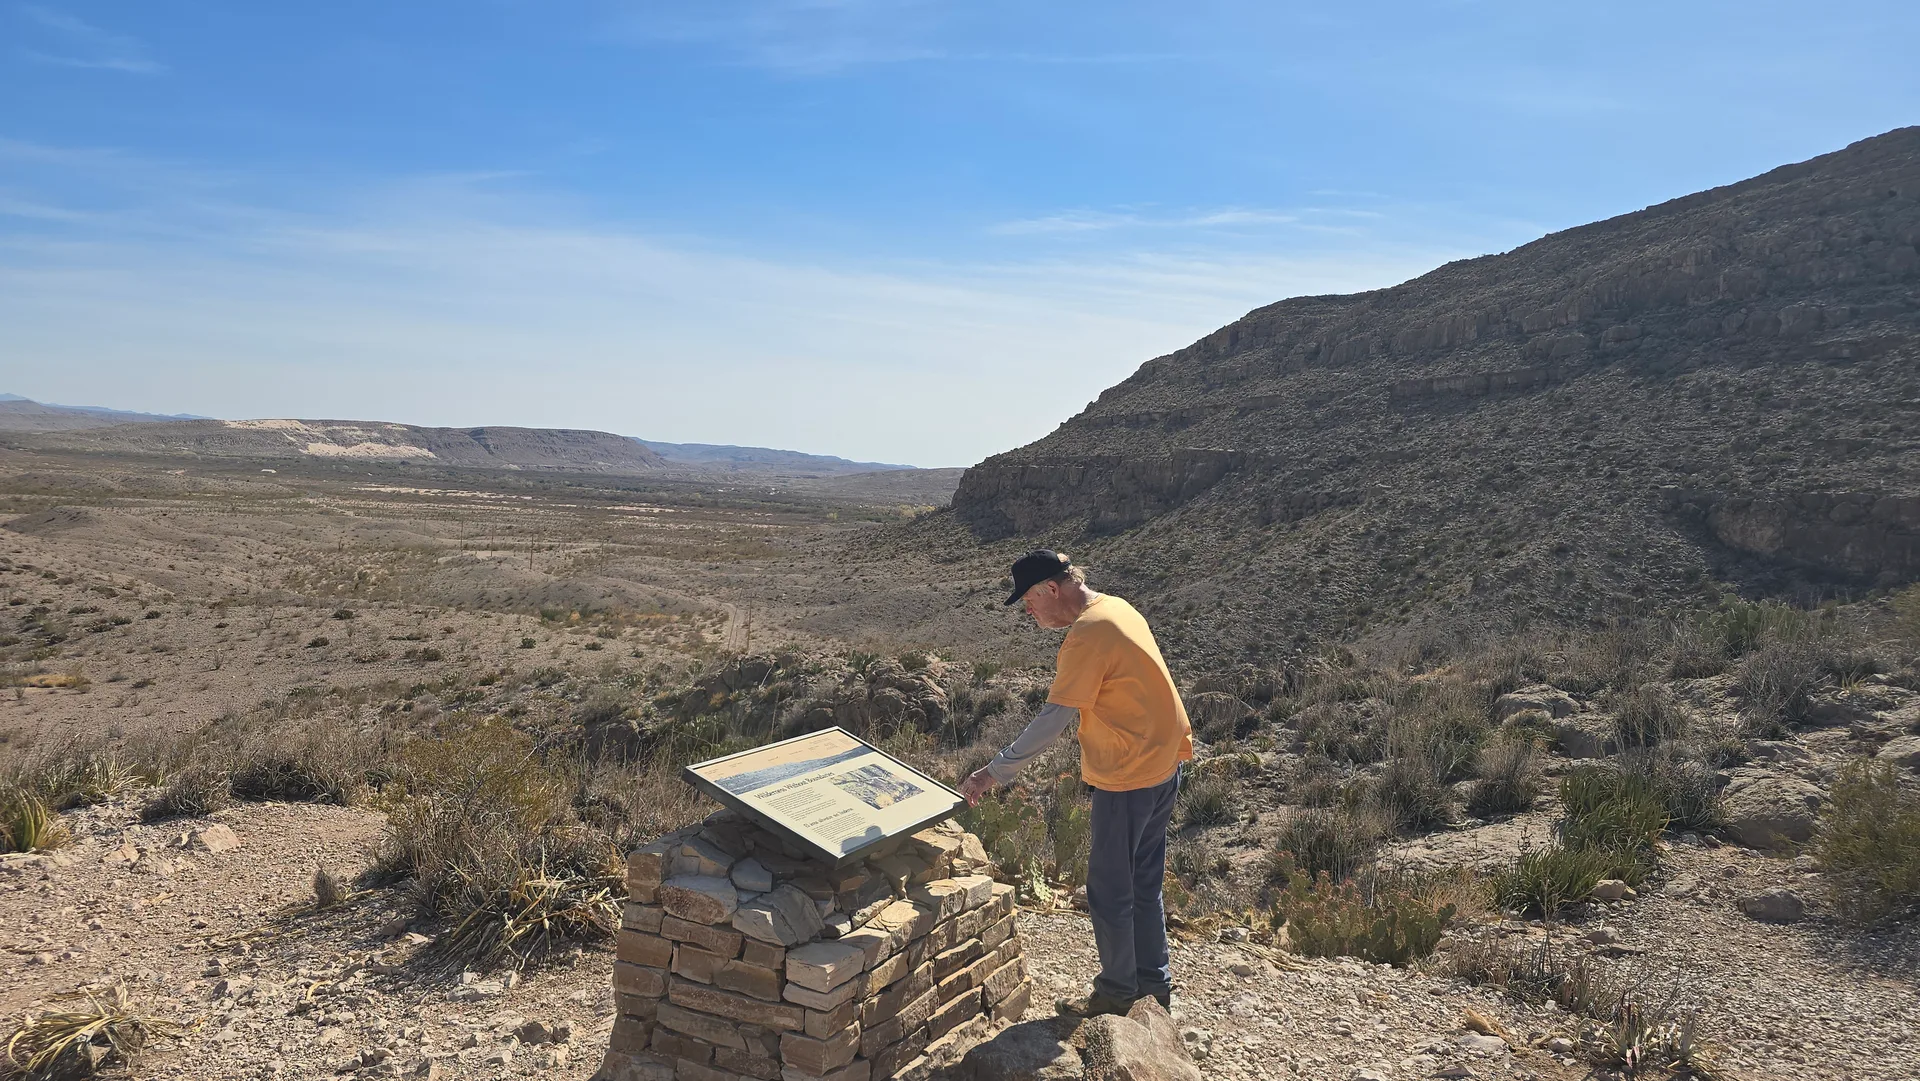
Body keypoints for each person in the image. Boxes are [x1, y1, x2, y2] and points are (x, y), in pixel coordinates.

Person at [958, 550, 1193, 1018]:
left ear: (1051, 588)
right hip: (1165, 763)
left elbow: (1052, 721)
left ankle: (1117, 995)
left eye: (1028, 600)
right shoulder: (1116, 607)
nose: (1029, 611)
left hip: (1129, 775)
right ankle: (1154, 989)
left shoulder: (1087, 635)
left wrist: (993, 772)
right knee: (1144, 884)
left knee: (1108, 891)